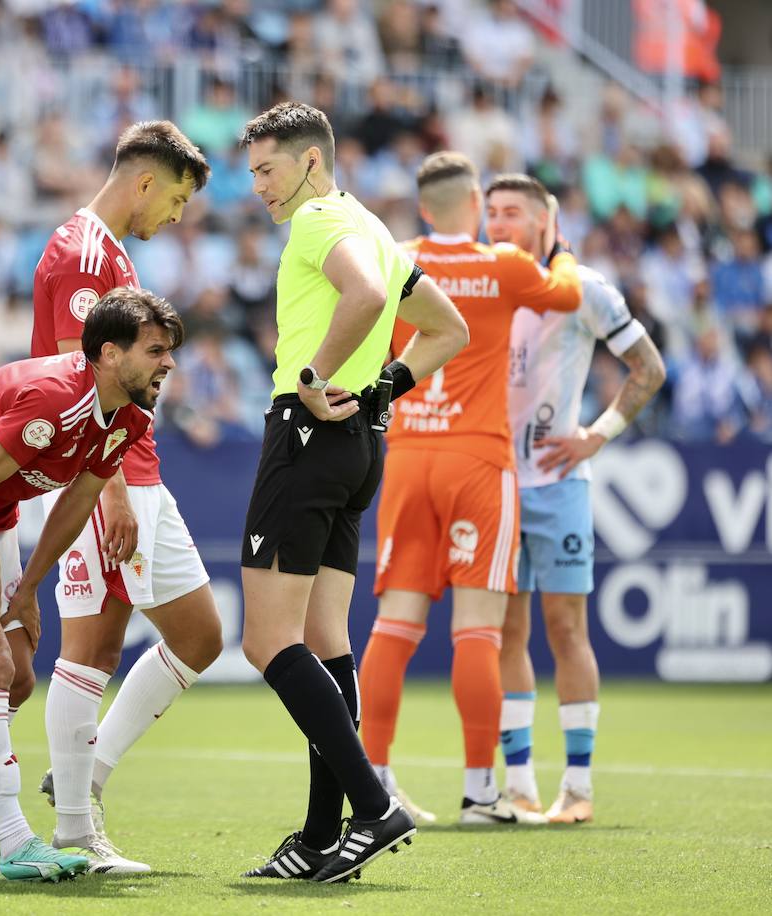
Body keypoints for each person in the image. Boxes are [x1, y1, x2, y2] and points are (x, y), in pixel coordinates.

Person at [237, 102, 468, 883]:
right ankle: (318, 838)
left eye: (267, 169)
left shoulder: (317, 223)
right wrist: (380, 388)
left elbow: (366, 297)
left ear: (310, 161)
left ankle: (372, 808)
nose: (259, 187)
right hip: (362, 442)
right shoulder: (372, 222)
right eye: (253, 173)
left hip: (307, 437)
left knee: (267, 641)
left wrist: (314, 380)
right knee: (327, 639)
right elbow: (448, 329)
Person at [0, 289, 182, 882]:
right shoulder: (53, 399)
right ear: (108, 354)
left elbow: (79, 501)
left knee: (16, 677)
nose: (167, 364)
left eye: (169, 351)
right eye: (155, 351)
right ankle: (16, 842)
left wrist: (30, 588)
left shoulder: (130, 415)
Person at [358, 154, 583, 826]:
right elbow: (565, 292)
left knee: (394, 627)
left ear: (425, 207)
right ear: (478, 202)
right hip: (480, 462)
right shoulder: (504, 266)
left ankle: (374, 783)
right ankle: (483, 794)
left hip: (407, 455)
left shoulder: (394, 256)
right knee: (478, 632)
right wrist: (561, 244)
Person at [29, 120, 223, 874]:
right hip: (114, 471)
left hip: (109, 467)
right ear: (145, 181)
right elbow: (82, 379)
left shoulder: (98, 249)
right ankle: (79, 813)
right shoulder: (86, 255)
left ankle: (79, 801)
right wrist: (105, 486)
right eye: (173, 201)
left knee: (107, 648)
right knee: (169, 638)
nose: (173, 218)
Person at [491, 182, 667, 823]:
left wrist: (598, 434)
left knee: (567, 630)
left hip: (559, 486)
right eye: (490, 212)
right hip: (498, 484)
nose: (497, 223)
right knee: (508, 632)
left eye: (510, 212)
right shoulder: (488, 284)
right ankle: (517, 785)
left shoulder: (584, 288)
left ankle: (579, 786)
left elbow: (648, 366)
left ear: (545, 221)